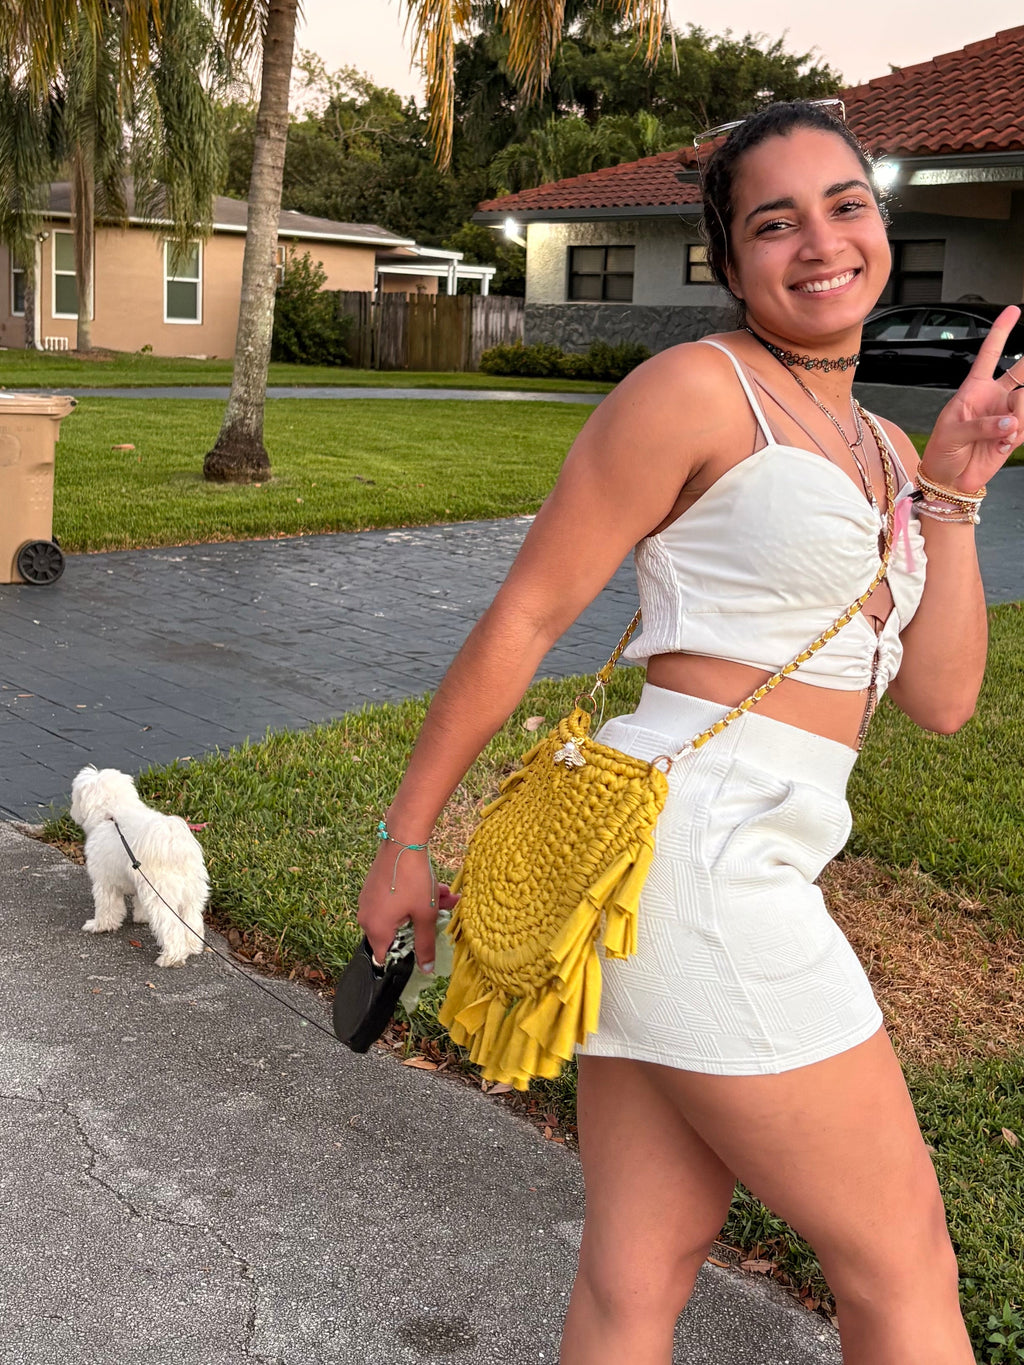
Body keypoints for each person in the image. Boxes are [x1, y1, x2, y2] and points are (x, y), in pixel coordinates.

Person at [357, 101, 1022, 1364]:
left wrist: (954, 493)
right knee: (904, 1263)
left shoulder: (885, 445)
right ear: (730, 262)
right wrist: (405, 838)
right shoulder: (695, 391)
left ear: (882, 227)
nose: (819, 242)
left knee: (638, 1272)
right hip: (695, 865)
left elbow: (937, 704)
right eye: (775, 222)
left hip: (699, 868)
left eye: (846, 206)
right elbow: (526, 618)